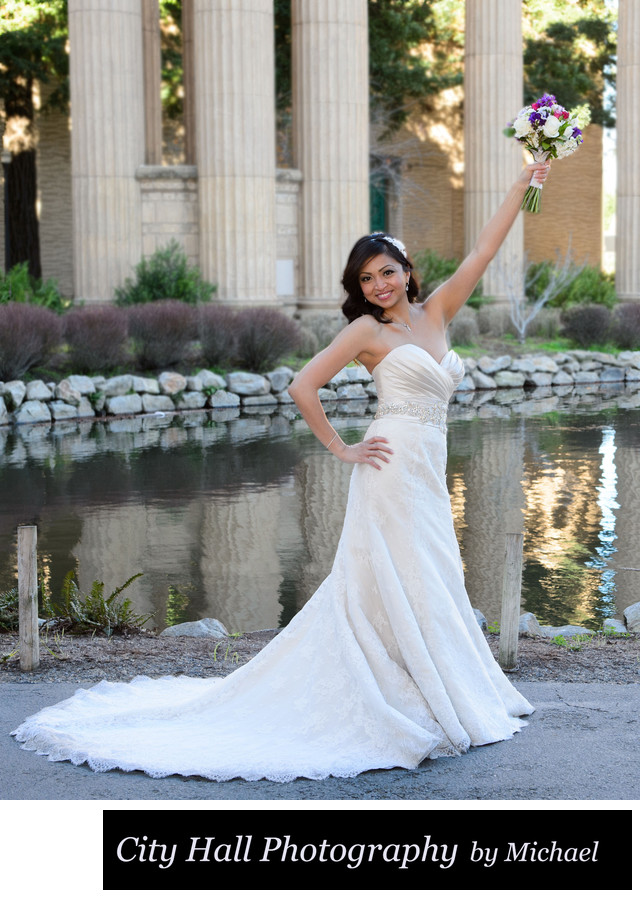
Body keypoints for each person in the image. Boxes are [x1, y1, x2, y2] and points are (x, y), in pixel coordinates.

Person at [11, 162, 547, 782]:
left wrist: (526, 181)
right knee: (407, 577)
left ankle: (438, 688)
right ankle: (413, 695)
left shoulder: (438, 311)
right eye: (366, 278)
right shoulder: (365, 331)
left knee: (432, 574)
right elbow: (302, 385)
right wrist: (344, 449)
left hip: (429, 465)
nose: (378, 284)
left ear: (407, 272)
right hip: (391, 463)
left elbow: (485, 246)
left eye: (387, 272)